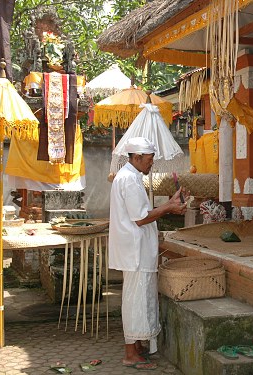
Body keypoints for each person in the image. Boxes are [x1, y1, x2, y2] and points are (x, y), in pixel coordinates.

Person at [108, 137, 188, 370]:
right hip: (135, 251)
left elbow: (142, 214)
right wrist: (169, 207)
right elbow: (141, 218)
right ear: (137, 157)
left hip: (137, 250)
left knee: (140, 298)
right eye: (150, 160)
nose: (151, 164)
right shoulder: (130, 180)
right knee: (136, 300)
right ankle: (130, 353)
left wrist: (169, 203)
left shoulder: (129, 177)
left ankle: (138, 345)